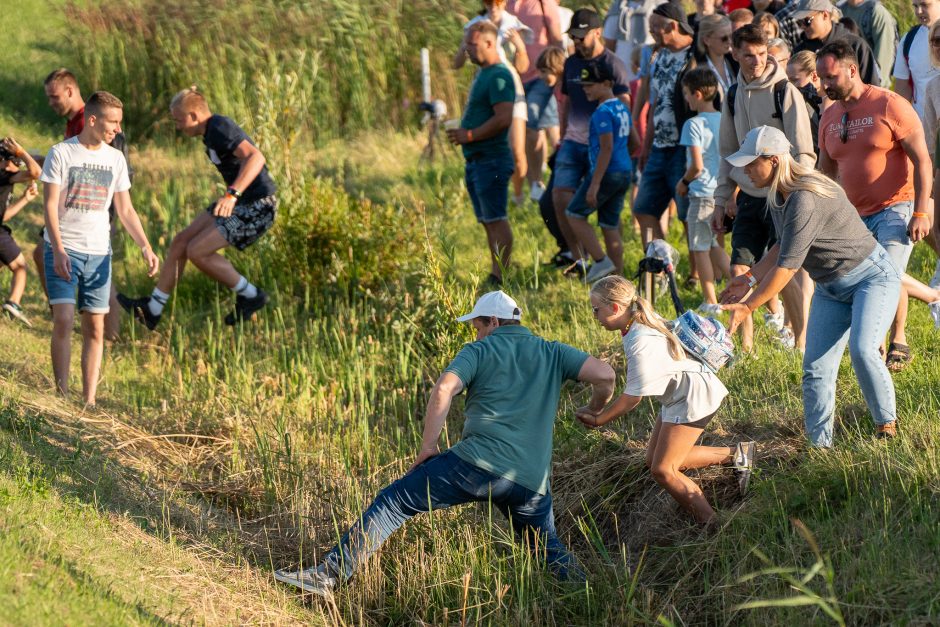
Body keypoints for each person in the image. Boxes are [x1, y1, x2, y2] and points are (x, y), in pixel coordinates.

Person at [273, 290, 617, 596]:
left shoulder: (480, 350)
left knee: (395, 501)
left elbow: (443, 389)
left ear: (493, 321)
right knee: (544, 547)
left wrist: (429, 446)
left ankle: (329, 575)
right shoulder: (552, 351)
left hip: (475, 465)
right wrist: (594, 410)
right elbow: (606, 375)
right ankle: (587, 598)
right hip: (530, 479)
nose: (477, 333)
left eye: (479, 326)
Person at [722, 126, 902, 445]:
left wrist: (748, 304)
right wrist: (747, 278)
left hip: (870, 278)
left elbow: (788, 267)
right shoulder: (779, 196)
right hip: (830, 289)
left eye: (752, 163)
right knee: (815, 369)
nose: (745, 170)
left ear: (775, 161)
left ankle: (886, 427)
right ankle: (819, 447)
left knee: (862, 351)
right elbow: (782, 247)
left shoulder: (804, 197)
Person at [579, 276, 754, 525]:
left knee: (664, 470)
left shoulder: (640, 339)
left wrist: (599, 419)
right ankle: (737, 453)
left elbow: (632, 399)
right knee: (654, 460)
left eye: (596, 309)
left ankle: (715, 525)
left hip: (693, 397)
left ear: (615, 308)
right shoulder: (636, 325)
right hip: (681, 394)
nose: (594, 315)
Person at [815, 41, 940, 371]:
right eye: (821, 78)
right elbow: (826, 176)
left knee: (884, 271)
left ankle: (893, 332)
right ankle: (886, 344)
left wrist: (922, 211)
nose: (825, 84)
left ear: (852, 70)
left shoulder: (889, 104)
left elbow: (923, 161)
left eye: (830, 76)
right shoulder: (828, 117)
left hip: (896, 207)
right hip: (854, 215)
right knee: (871, 276)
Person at [118, 87, 277, 328]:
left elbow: (256, 157)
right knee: (181, 242)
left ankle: (251, 295)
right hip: (240, 203)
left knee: (197, 251)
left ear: (194, 115)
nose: (178, 126)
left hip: (257, 206)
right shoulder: (210, 133)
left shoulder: (220, 126)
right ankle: (152, 310)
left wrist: (232, 195)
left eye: (179, 120)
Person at [40, 92, 160, 406]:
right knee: (64, 319)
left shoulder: (115, 159)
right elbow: (50, 207)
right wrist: (59, 249)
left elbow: (126, 210)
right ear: (93, 119)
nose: (118, 129)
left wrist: (145, 246)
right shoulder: (61, 154)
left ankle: (89, 399)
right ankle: (62, 393)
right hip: (63, 249)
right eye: (114, 122)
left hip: (99, 254)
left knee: (95, 326)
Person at [714, 24, 815, 351]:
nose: (756, 61)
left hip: (782, 194)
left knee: (780, 274)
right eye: (748, 55)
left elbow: (804, 150)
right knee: (739, 268)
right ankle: (745, 349)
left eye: (761, 54)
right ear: (735, 53)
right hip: (749, 195)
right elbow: (727, 152)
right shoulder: (732, 95)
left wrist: (797, 195)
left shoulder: (784, 91)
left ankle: (801, 343)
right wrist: (721, 198)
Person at [42, 68, 131, 340]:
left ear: (70, 91)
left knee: (102, 271)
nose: (51, 103)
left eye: (55, 96)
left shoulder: (87, 123)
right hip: (75, 209)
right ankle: (65, 310)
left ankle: (106, 333)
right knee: (46, 253)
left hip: (97, 207)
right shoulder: (75, 124)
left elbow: (103, 170)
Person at [555, 8, 631, 277]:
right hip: (577, 145)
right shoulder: (571, 63)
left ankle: (602, 263)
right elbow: (565, 103)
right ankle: (592, 267)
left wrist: (597, 180)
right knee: (600, 218)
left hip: (603, 155)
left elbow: (611, 140)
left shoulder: (612, 71)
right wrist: (561, 137)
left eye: (580, 36)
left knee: (577, 213)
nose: (576, 42)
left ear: (597, 32)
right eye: (572, 37)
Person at [444, 22, 516, 285]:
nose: (467, 50)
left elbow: (504, 118)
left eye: (472, 45)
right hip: (476, 160)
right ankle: (495, 272)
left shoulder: (499, 75)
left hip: (492, 158)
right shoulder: (482, 73)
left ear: (489, 43)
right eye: (466, 44)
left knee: (497, 219)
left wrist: (470, 135)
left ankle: (503, 275)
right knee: (487, 221)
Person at [631, 3, 696, 247]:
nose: (652, 33)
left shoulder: (695, 55)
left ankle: (695, 273)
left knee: (688, 214)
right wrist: (646, 145)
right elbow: (656, 103)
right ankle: (661, 262)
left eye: (656, 28)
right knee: (643, 209)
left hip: (686, 147)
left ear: (673, 26)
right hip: (659, 145)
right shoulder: (658, 56)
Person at [456, 0, 533, 206]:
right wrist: (465, 46)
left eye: (497, 2)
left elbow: (522, 67)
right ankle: (494, 192)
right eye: (489, 2)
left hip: (509, 87)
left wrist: (520, 48)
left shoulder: (513, 24)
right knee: (489, 144)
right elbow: (456, 64)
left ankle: (518, 196)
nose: (493, 6)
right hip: (485, 89)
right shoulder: (474, 26)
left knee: (517, 148)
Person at [565, 63, 637, 281]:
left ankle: (600, 260)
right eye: (583, 85)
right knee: (609, 224)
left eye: (590, 85)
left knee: (574, 214)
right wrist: (622, 157)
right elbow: (635, 141)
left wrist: (595, 184)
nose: (586, 89)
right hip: (624, 171)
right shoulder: (622, 107)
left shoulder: (602, 112)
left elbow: (606, 147)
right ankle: (619, 279)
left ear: (607, 84)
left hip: (606, 173)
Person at [677, 68, 731, 313]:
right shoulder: (723, 119)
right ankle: (738, 281)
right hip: (719, 192)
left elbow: (696, 166)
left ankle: (711, 301)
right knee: (712, 244)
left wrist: (683, 182)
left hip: (700, 194)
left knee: (699, 247)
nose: (686, 99)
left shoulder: (693, 124)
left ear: (697, 94)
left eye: (687, 94)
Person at [509, 0, 564, 202]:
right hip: (514, 76)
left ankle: (539, 182)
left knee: (532, 125)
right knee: (524, 131)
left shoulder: (542, 2)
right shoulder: (504, 4)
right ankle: (534, 185)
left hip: (541, 75)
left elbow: (556, 36)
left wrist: (561, 72)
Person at [0, 138, 41, 326]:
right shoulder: (5, 175)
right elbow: (36, 172)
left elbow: (4, 215)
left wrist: (24, 199)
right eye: (16, 162)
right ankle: (13, 304)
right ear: (6, 163)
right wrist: (22, 152)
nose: (18, 166)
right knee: (20, 267)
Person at [791, 0, 880, 85]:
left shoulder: (856, 45)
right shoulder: (800, 52)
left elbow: (873, 88)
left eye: (807, 21)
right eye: (799, 22)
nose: (802, 26)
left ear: (825, 15)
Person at [836, 0, 897, 87]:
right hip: (843, 87)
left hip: (870, 87)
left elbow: (884, 57)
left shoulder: (876, 12)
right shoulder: (838, 10)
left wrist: (875, 90)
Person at [603, 0, 660, 74]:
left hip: (650, 75)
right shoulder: (618, 7)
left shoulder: (660, 5)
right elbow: (609, 47)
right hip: (621, 75)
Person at [695, 14, 738, 94]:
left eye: (731, 36)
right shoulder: (697, 69)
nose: (730, 41)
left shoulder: (735, 62)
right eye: (724, 38)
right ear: (707, 40)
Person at [787, 49, 832, 115]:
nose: (791, 85)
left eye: (794, 80)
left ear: (814, 76)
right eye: (789, 81)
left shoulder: (834, 101)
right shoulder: (801, 101)